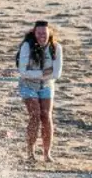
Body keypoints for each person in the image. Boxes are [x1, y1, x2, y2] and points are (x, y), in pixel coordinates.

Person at [17, 20, 63, 163]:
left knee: (46, 116)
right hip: (28, 85)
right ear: (34, 33)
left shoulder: (56, 47)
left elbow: (56, 74)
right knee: (35, 115)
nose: (42, 35)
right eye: (39, 33)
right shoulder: (27, 46)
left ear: (49, 32)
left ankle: (47, 153)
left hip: (47, 85)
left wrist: (39, 74)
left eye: (44, 32)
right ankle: (30, 153)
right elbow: (23, 72)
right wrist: (43, 72)